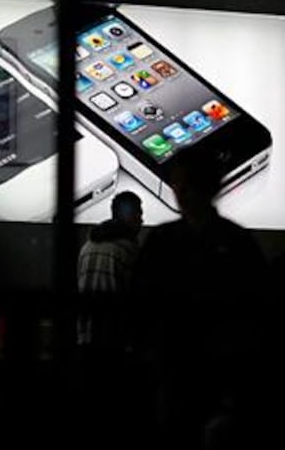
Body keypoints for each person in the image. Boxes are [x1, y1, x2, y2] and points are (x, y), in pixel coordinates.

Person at [134, 148, 267, 448]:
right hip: (188, 368)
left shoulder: (163, 240)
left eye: (184, 182)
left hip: (200, 369)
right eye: (177, 182)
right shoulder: (237, 241)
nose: (177, 190)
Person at [77, 190, 143, 347]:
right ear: (128, 216)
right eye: (138, 214)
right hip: (115, 340)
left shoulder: (87, 247)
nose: (142, 220)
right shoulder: (128, 251)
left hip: (84, 336)